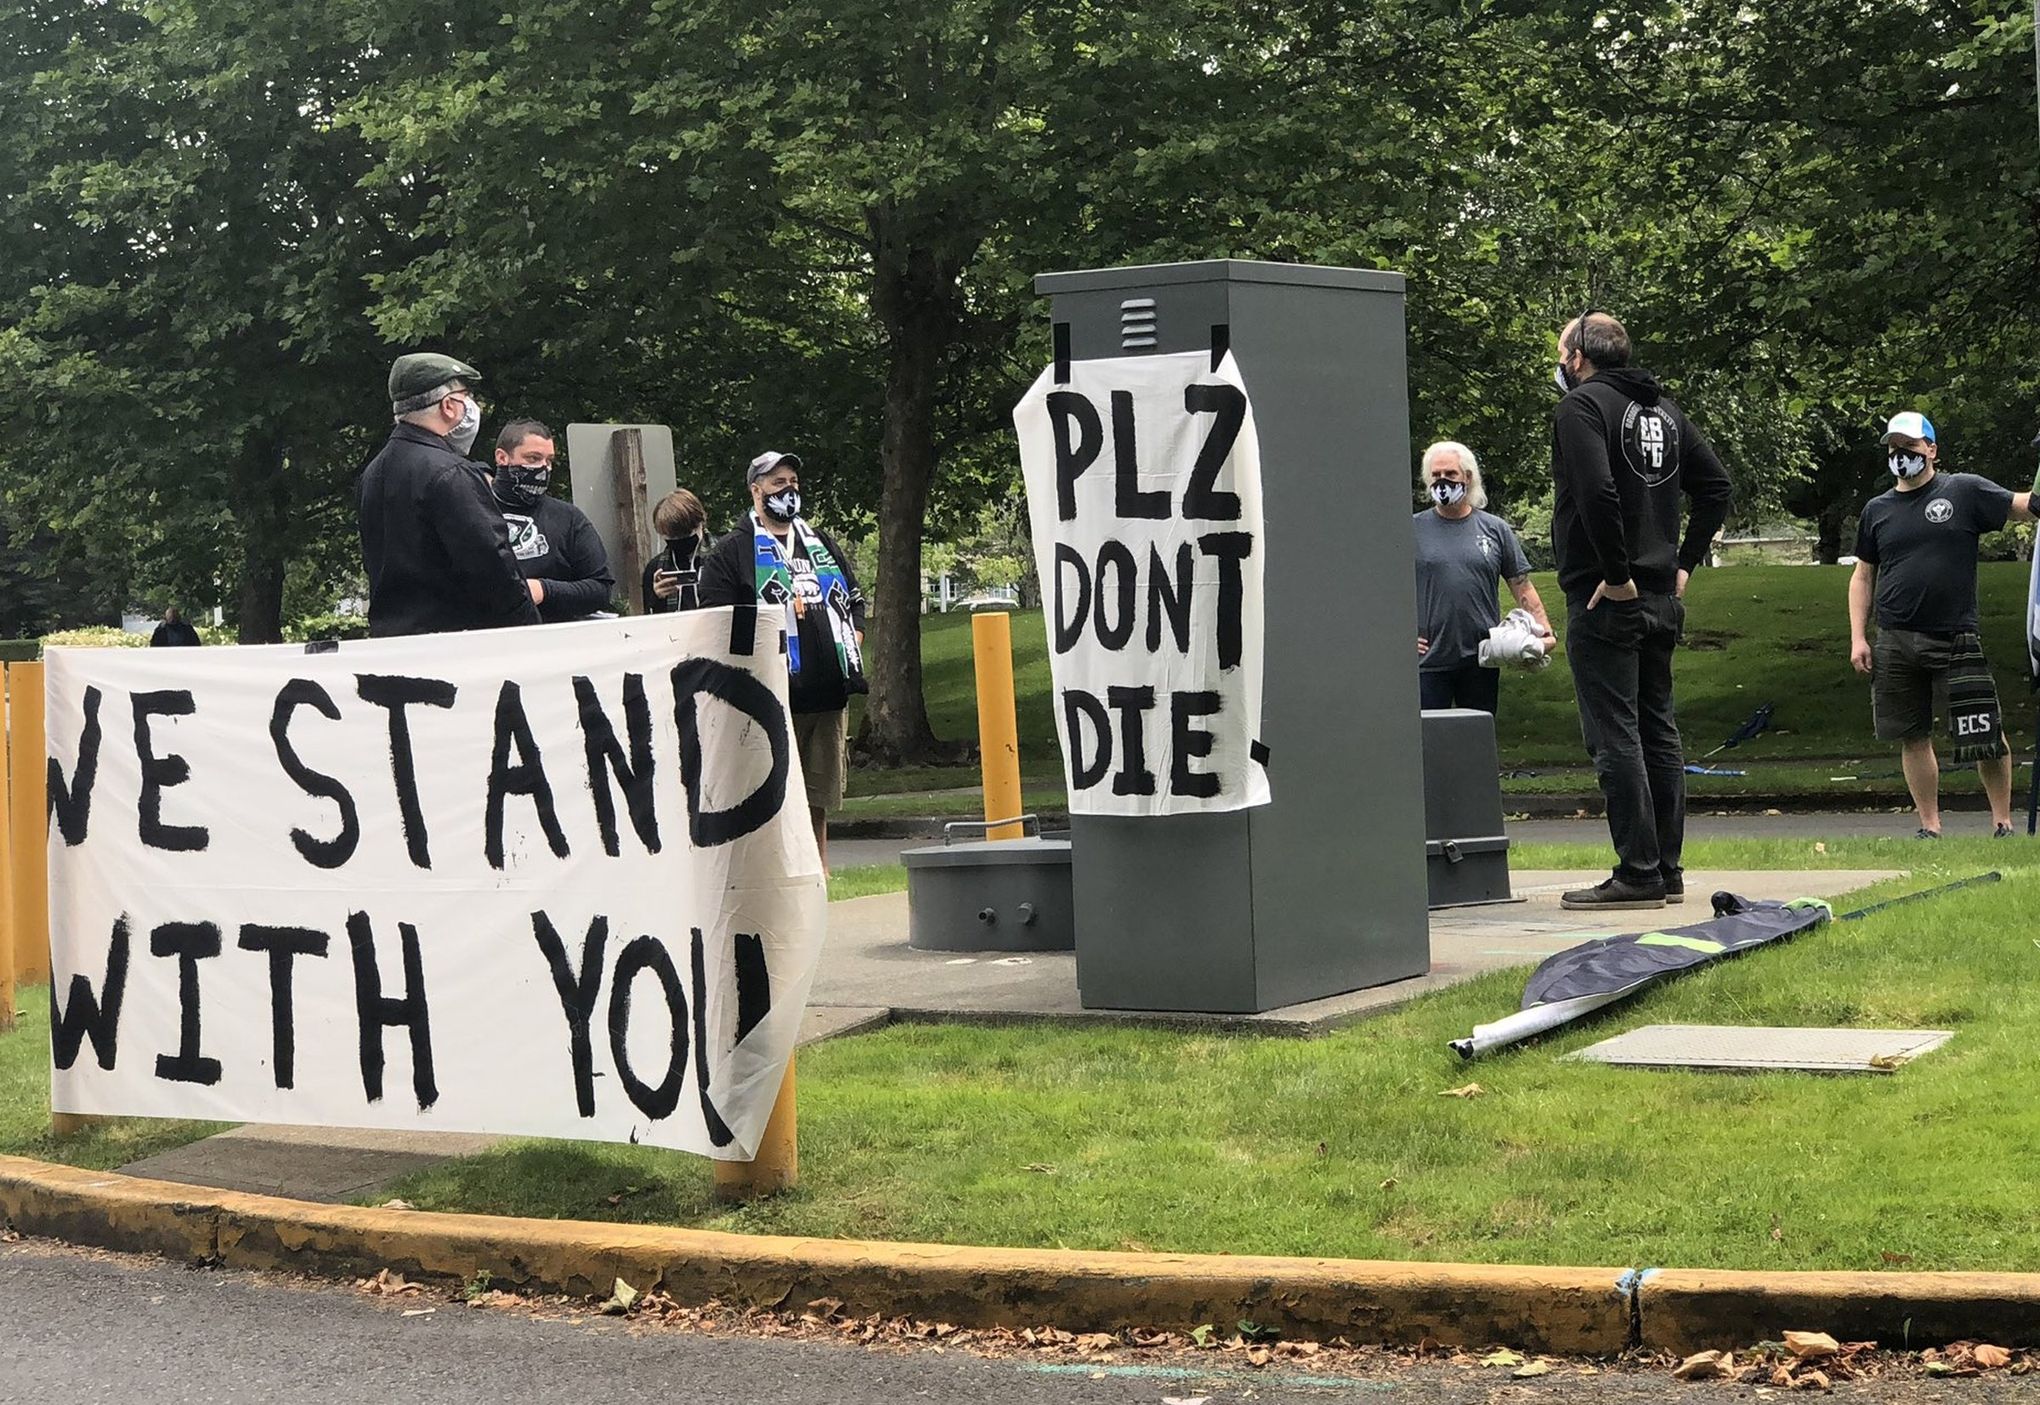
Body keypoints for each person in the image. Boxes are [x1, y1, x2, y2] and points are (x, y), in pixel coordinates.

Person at [1551, 312, 1733, 910]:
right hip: (1660, 596)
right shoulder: (1666, 412)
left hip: (1610, 596)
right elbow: (1716, 487)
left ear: (1578, 357)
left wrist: (1617, 574)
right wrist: (1682, 564)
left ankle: (1637, 871)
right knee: (1658, 729)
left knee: (1615, 735)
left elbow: (1596, 491)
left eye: (1560, 354)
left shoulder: (1581, 408)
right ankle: (1667, 868)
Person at [1848, 411, 2035, 839]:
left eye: (1910, 448)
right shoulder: (1877, 510)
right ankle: (1930, 826)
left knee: (1984, 730)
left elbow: (2024, 507)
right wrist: (1859, 636)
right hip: (1894, 638)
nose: (1901, 456)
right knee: (1912, 736)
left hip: (1956, 635)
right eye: (1894, 449)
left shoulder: (1964, 490)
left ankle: (2002, 822)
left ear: (1931, 449)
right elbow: (1862, 575)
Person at [698, 450, 866, 869]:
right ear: (756, 491)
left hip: (826, 693)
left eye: (793, 482)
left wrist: (851, 639)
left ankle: (817, 871)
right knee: (771, 789)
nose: (788, 490)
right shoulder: (732, 551)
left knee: (818, 794)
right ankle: (775, 872)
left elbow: (855, 599)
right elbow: (715, 623)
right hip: (769, 696)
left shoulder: (820, 543)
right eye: (777, 483)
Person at [358, 353, 539, 637]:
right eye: (466, 395)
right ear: (449, 406)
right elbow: (492, 566)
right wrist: (530, 630)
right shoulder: (451, 473)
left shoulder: (373, 473)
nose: (471, 405)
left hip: (393, 644)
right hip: (456, 648)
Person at [1413, 440, 1552, 714]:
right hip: (1427, 661)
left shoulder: (1494, 529)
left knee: (1477, 742)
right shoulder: (1411, 529)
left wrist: (1544, 632)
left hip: (1482, 657)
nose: (1442, 482)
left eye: (1450, 474)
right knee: (1426, 745)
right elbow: (1380, 587)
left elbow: (1521, 585)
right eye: (1436, 475)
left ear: (1468, 477)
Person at [490, 418, 615, 622]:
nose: (543, 468)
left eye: (549, 461)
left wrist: (543, 590)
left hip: (555, 642)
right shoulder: (472, 510)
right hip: (483, 641)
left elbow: (600, 589)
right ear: (502, 458)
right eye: (533, 458)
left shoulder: (568, 518)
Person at [642, 488, 711, 613]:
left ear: (701, 522)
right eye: (672, 537)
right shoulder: (655, 568)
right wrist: (657, 598)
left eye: (685, 534)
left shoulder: (722, 557)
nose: (679, 541)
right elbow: (650, 621)